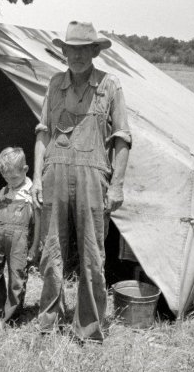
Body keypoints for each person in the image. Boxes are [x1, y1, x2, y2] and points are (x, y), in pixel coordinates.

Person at [32, 21, 131, 342]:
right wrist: (36, 178)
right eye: (71, 50)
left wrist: (116, 185)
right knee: (51, 252)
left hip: (93, 177)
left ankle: (88, 328)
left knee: (92, 255)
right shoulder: (54, 84)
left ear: (94, 52)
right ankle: (48, 320)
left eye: (83, 50)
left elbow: (122, 139)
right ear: (64, 53)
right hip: (54, 174)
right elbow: (43, 133)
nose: (76, 56)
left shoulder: (110, 86)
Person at [0, 147, 39, 328]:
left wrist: (34, 246)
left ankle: (10, 317)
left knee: (17, 277)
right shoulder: (4, 191)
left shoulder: (32, 192)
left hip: (20, 239)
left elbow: (38, 222)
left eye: (14, 177)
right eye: (6, 177)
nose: (10, 181)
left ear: (25, 169)